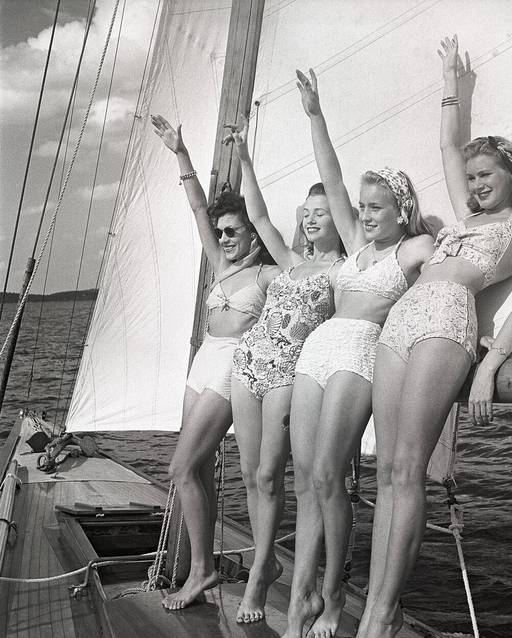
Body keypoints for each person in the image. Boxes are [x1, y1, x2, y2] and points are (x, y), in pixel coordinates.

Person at [356, 36, 512, 638]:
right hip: (403, 320)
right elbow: (447, 142)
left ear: (511, 173)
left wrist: (491, 365)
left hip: (447, 319)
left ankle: (383, 615)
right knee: (387, 468)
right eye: (469, 176)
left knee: (409, 467)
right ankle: (371, 611)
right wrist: (448, 84)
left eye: (485, 173)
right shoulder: (464, 219)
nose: (474, 183)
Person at [281, 70, 434, 638]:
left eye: (377, 207)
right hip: (317, 351)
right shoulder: (356, 243)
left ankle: (333, 596)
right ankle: (300, 596)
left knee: (328, 475)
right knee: (306, 479)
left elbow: (456, 270)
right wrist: (314, 112)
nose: (365, 215)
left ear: (400, 208)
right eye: (363, 208)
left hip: (358, 353)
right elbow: (332, 180)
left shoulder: (416, 247)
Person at [150, 114, 279, 610]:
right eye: (221, 231)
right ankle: (200, 569)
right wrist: (180, 153)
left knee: (179, 467)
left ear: (253, 233)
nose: (223, 237)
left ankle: (202, 570)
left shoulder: (267, 277)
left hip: (232, 366)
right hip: (201, 360)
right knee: (196, 469)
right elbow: (197, 208)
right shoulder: (220, 265)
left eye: (234, 230)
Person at [225, 116, 346, 623]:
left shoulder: (345, 270)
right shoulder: (291, 260)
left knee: (273, 474)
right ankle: (266, 560)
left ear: (340, 219)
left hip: (287, 374)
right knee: (251, 475)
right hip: (249, 361)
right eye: (309, 212)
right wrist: (246, 161)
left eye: (324, 212)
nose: (313, 219)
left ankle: (257, 577)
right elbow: (258, 214)